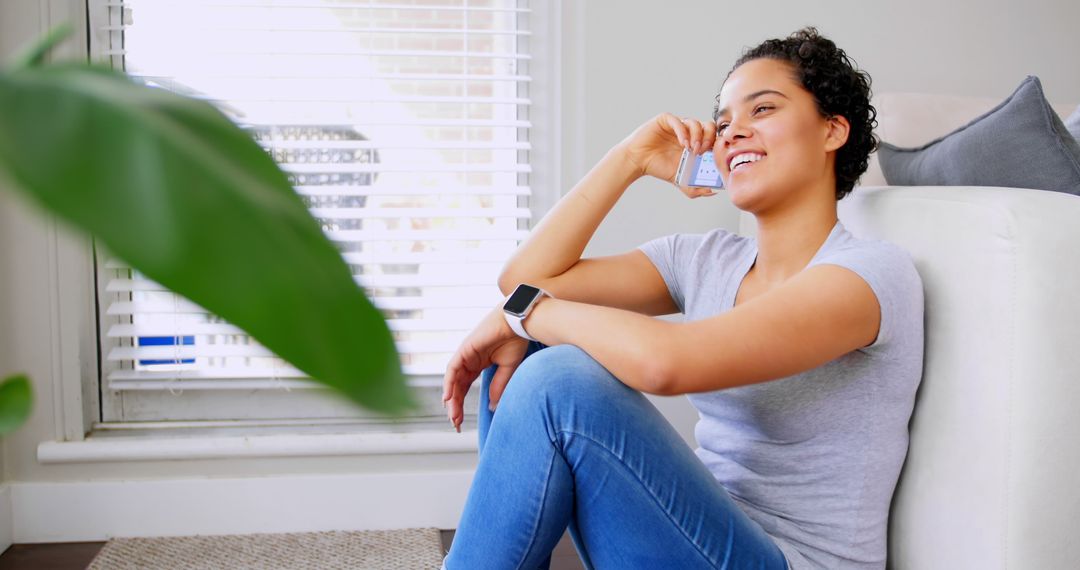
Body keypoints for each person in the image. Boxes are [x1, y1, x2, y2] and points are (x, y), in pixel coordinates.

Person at [439, 27, 924, 570]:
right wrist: (631, 159)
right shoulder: (706, 259)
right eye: (723, 122)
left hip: (790, 560)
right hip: (697, 534)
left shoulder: (869, 274)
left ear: (833, 130)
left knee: (555, 374)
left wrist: (523, 316)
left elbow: (667, 363)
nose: (733, 132)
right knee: (529, 347)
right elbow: (525, 277)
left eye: (762, 109)